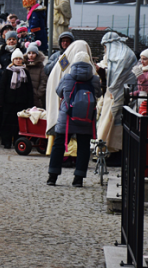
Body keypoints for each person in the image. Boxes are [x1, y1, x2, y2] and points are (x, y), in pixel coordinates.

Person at [46, 52, 102, 186]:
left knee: (59, 145)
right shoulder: (94, 79)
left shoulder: (67, 77)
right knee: (83, 147)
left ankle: (52, 177)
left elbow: (59, 91)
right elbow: (98, 94)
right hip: (87, 118)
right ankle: (78, 179)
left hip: (67, 116)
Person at [96, 32, 138, 158]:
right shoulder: (114, 56)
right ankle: (107, 149)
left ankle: (115, 152)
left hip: (120, 95)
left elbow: (116, 76)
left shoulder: (124, 56)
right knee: (109, 123)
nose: (105, 50)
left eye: (105, 47)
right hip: (112, 95)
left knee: (116, 124)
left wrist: (102, 71)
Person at [0, 49, 34, 149]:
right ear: (12, 60)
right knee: (7, 123)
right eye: (16, 59)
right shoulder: (7, 72)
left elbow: (29, 88)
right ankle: (6, 141)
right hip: (8, 102)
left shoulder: (25, 72)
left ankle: (18, 141)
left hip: (21, 102)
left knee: (19, 123)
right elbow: (2, 87)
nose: (18, 61)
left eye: (20, 59)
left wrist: (30, 103)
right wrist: (0, 100)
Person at [24, 43, 48, 108]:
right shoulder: (24, 65)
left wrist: (39, 94)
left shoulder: (41, 67)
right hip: (25, 96)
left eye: (33, 53)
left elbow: (43, 81)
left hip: (36, 97)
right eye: (29, 53)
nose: (31, 55)